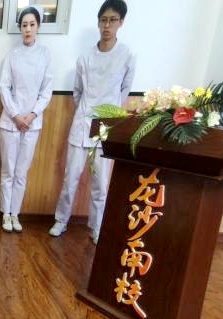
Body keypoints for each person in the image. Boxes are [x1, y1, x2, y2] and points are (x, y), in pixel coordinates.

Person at [49, 0, 135, 244]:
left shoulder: (127, 55)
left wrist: (109, 114)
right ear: (98, 23)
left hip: (106, 125)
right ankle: (61, 220)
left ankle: (97, 227)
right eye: (103, 20)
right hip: (82, 122)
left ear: (121, 22)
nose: (107, 25)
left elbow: (124, 90)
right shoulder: (85, 57)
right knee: (70, 179)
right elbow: (77, 92)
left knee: (100, 183)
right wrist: (86, 112)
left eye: (113, 20)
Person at [0, 5, 53, 232]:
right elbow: (4, 86)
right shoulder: (12, 55)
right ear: (20, 28)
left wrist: (30, 116)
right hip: (10, 122)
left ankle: (15, 214)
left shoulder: (45, 55)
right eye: (24, 25)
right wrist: (16, 115)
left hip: (32, 124)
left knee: (21, 173)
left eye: (32, 25)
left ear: (38, 26)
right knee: (8, 171)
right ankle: (5, 214)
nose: (28, 29)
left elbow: (46, 91)